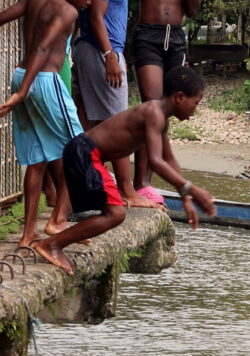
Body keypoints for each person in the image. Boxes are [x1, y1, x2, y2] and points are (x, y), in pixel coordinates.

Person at [30, 66, 216, 275]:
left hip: (82, 151)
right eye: (196, 103)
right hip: (87, 153)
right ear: (180, 97)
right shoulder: (154, 113)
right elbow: (156, 161)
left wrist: (185, 197)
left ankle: (57, 233)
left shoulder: (160, 117)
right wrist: (193, 189)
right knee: (116, 214)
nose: (195, 110)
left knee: (113, 212)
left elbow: (169, 159)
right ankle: (52, 245)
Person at [0, 0, 87, 247]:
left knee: (37, 159)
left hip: (21, 74)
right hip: (43, 80)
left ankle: (29, 232)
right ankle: (58, 220)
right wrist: (23, 92)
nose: (90, 2)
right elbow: (42, 48)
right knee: (81, 149)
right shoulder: (67, 10)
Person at [71, 0, 158, 209]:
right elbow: (96, 16)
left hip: (91, 48)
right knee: (119, 125)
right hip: (100, 50)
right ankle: (126, 191)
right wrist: (110, 55)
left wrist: (116, 53)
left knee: (88, 127)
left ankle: (84, 190)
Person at [130, 0, 201, 201]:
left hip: (176, 37)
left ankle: (147, 182)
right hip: (148, 34)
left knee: (164, 112)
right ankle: (140, 182)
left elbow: (192, 11)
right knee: (152, 107)